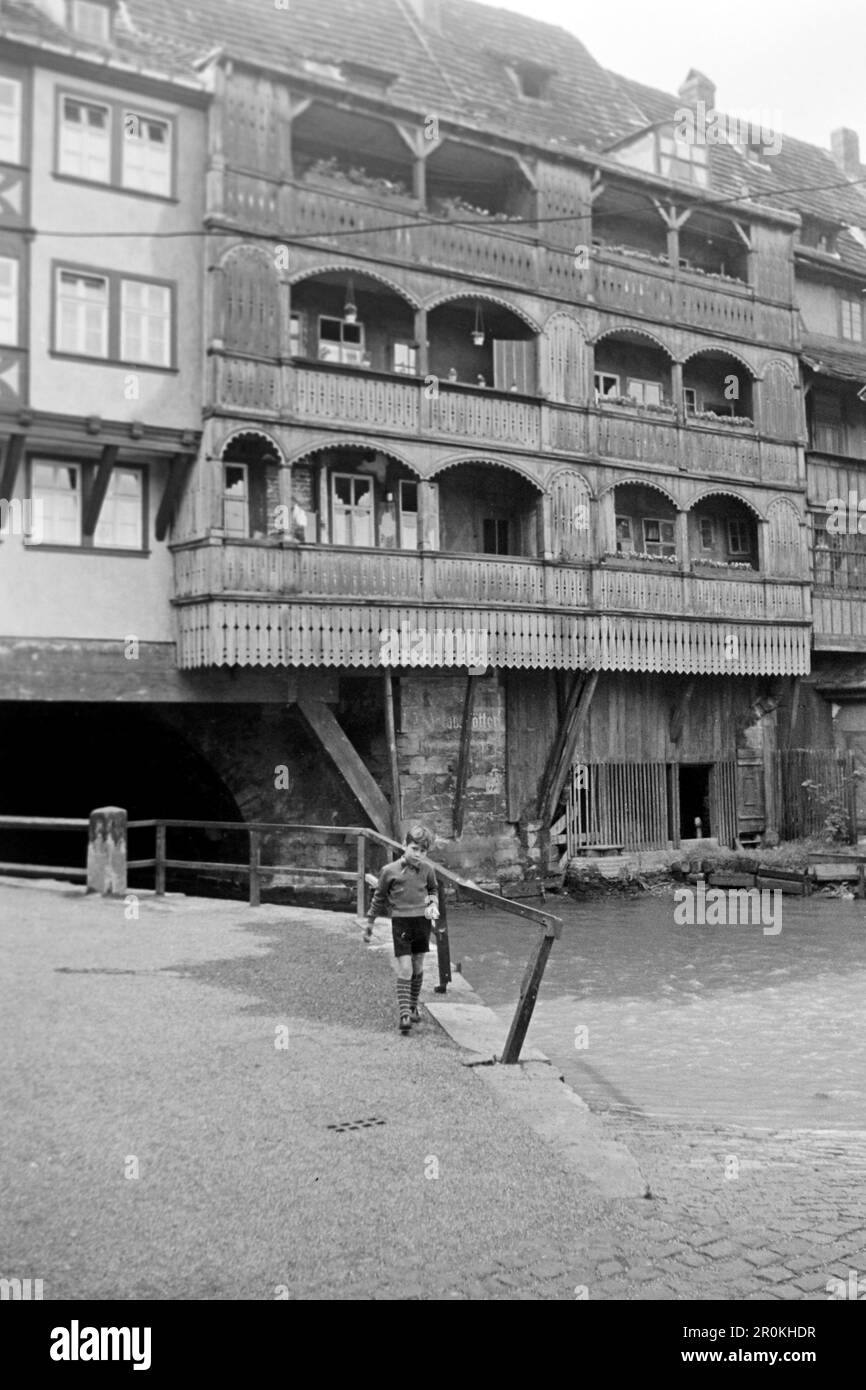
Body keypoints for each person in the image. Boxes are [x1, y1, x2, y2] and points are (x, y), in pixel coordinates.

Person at [362, 826, 439, 1034]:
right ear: (404, 846)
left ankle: (413, 1006)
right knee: (405, 968)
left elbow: (433, 889)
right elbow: (379, 897)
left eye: (423, 851)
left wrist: (432, 906)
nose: (418, 854)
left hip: (422, 921)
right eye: (414, 848)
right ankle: (404, 1013)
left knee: (418, 964)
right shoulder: (390, 871)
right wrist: (370, 923)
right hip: (401, 923)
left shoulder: (427, 870)